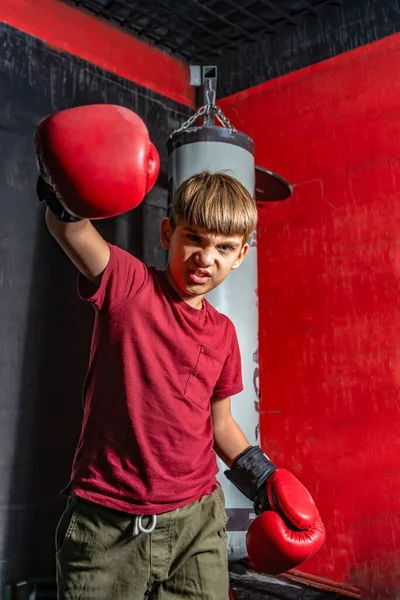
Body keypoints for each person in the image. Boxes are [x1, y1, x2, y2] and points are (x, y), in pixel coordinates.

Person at [35, 105, 325, 600]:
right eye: (194, 239)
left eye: (223, 247)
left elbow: (221, 425)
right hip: (107, 524)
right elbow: (72, 233)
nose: (205, 259)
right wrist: (63, 192)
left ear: (240, 256)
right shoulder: (127, 285)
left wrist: (265, 478)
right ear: (169, 234)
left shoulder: (223, 333)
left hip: (195, 523)